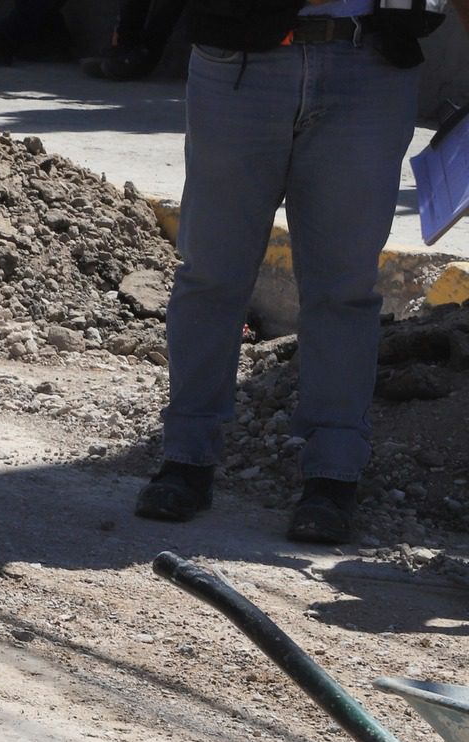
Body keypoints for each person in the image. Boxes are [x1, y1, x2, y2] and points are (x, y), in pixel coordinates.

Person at [132, 0, 459, 543]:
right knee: (213, 272)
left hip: (370, 63)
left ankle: (333, 474)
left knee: (344, 288)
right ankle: (186, 459)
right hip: (240, 60)